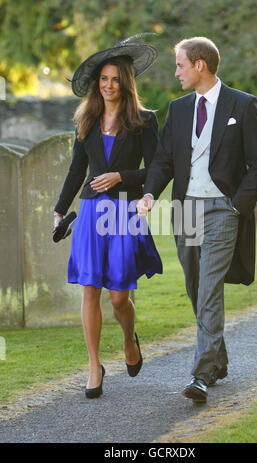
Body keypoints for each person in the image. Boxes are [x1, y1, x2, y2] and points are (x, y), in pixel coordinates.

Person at [137, 37, 257, 403]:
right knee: (196, 286)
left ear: (200, 65)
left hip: (222, 210)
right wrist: (150, 193)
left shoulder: (243, 105)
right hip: (186, 209)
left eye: (180, 65)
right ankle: (218, 361)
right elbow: (163, 160)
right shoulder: (178, 110)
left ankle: (200, 375)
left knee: (210, 287)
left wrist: (236, 207)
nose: (176, 72)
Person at [53, 36, 162, 399]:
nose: (109, 85)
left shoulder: (144, 121)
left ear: (126, 82)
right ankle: (94, 365)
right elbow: (75, 171)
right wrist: (58, 209)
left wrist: (121, 177)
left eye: (116, 79)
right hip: (90, 212)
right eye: (104, 79)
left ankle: (129, 339)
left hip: (126, 211)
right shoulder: (85, 119)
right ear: (97, 83)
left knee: (118, 297)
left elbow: (158, 169)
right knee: (90, 289)